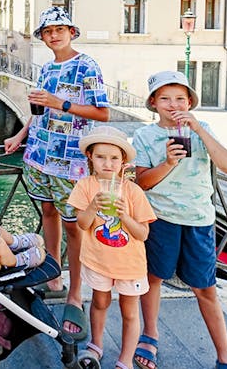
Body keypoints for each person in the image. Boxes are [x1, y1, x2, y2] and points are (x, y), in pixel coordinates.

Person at [3, 6, 110, 341]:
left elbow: (102, 113)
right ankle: (53, 275)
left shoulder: (87, 65)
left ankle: (75, 291)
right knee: (48, 212)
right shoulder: (47, 68)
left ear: (71, 32)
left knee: (74, 227)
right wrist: (19, 136)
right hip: (38, 155)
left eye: (59, 30)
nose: (54, 36)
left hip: (71, 161)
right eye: (48, 32)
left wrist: (59, 103)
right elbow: (37, 110)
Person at [131, 71, 227, 369]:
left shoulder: (202, 128)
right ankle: (149, 335)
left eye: (180, 98)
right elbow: (142, 182)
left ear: (190, 102)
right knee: (153, 279)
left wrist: (199, 130)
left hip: (198, 220)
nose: (172, 104)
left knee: (205, 288)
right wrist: (168, 162)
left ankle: (225, 356)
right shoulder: (145, 136)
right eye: (164, 98)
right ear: (153, 103)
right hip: (160, 219)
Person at [67, 126, 156, 369]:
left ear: (123, 161)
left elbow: (143, 233)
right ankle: (96, 344)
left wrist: (125, 217)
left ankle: (125, 358)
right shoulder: (85, 187)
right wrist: (93, 207)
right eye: (101, 157)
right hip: (98, 260)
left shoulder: (133, 191)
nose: (108, 163)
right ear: (90, 158)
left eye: (114, 158)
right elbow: (82, 225)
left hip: (130, 264)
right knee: (100, 302)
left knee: (129, 311)